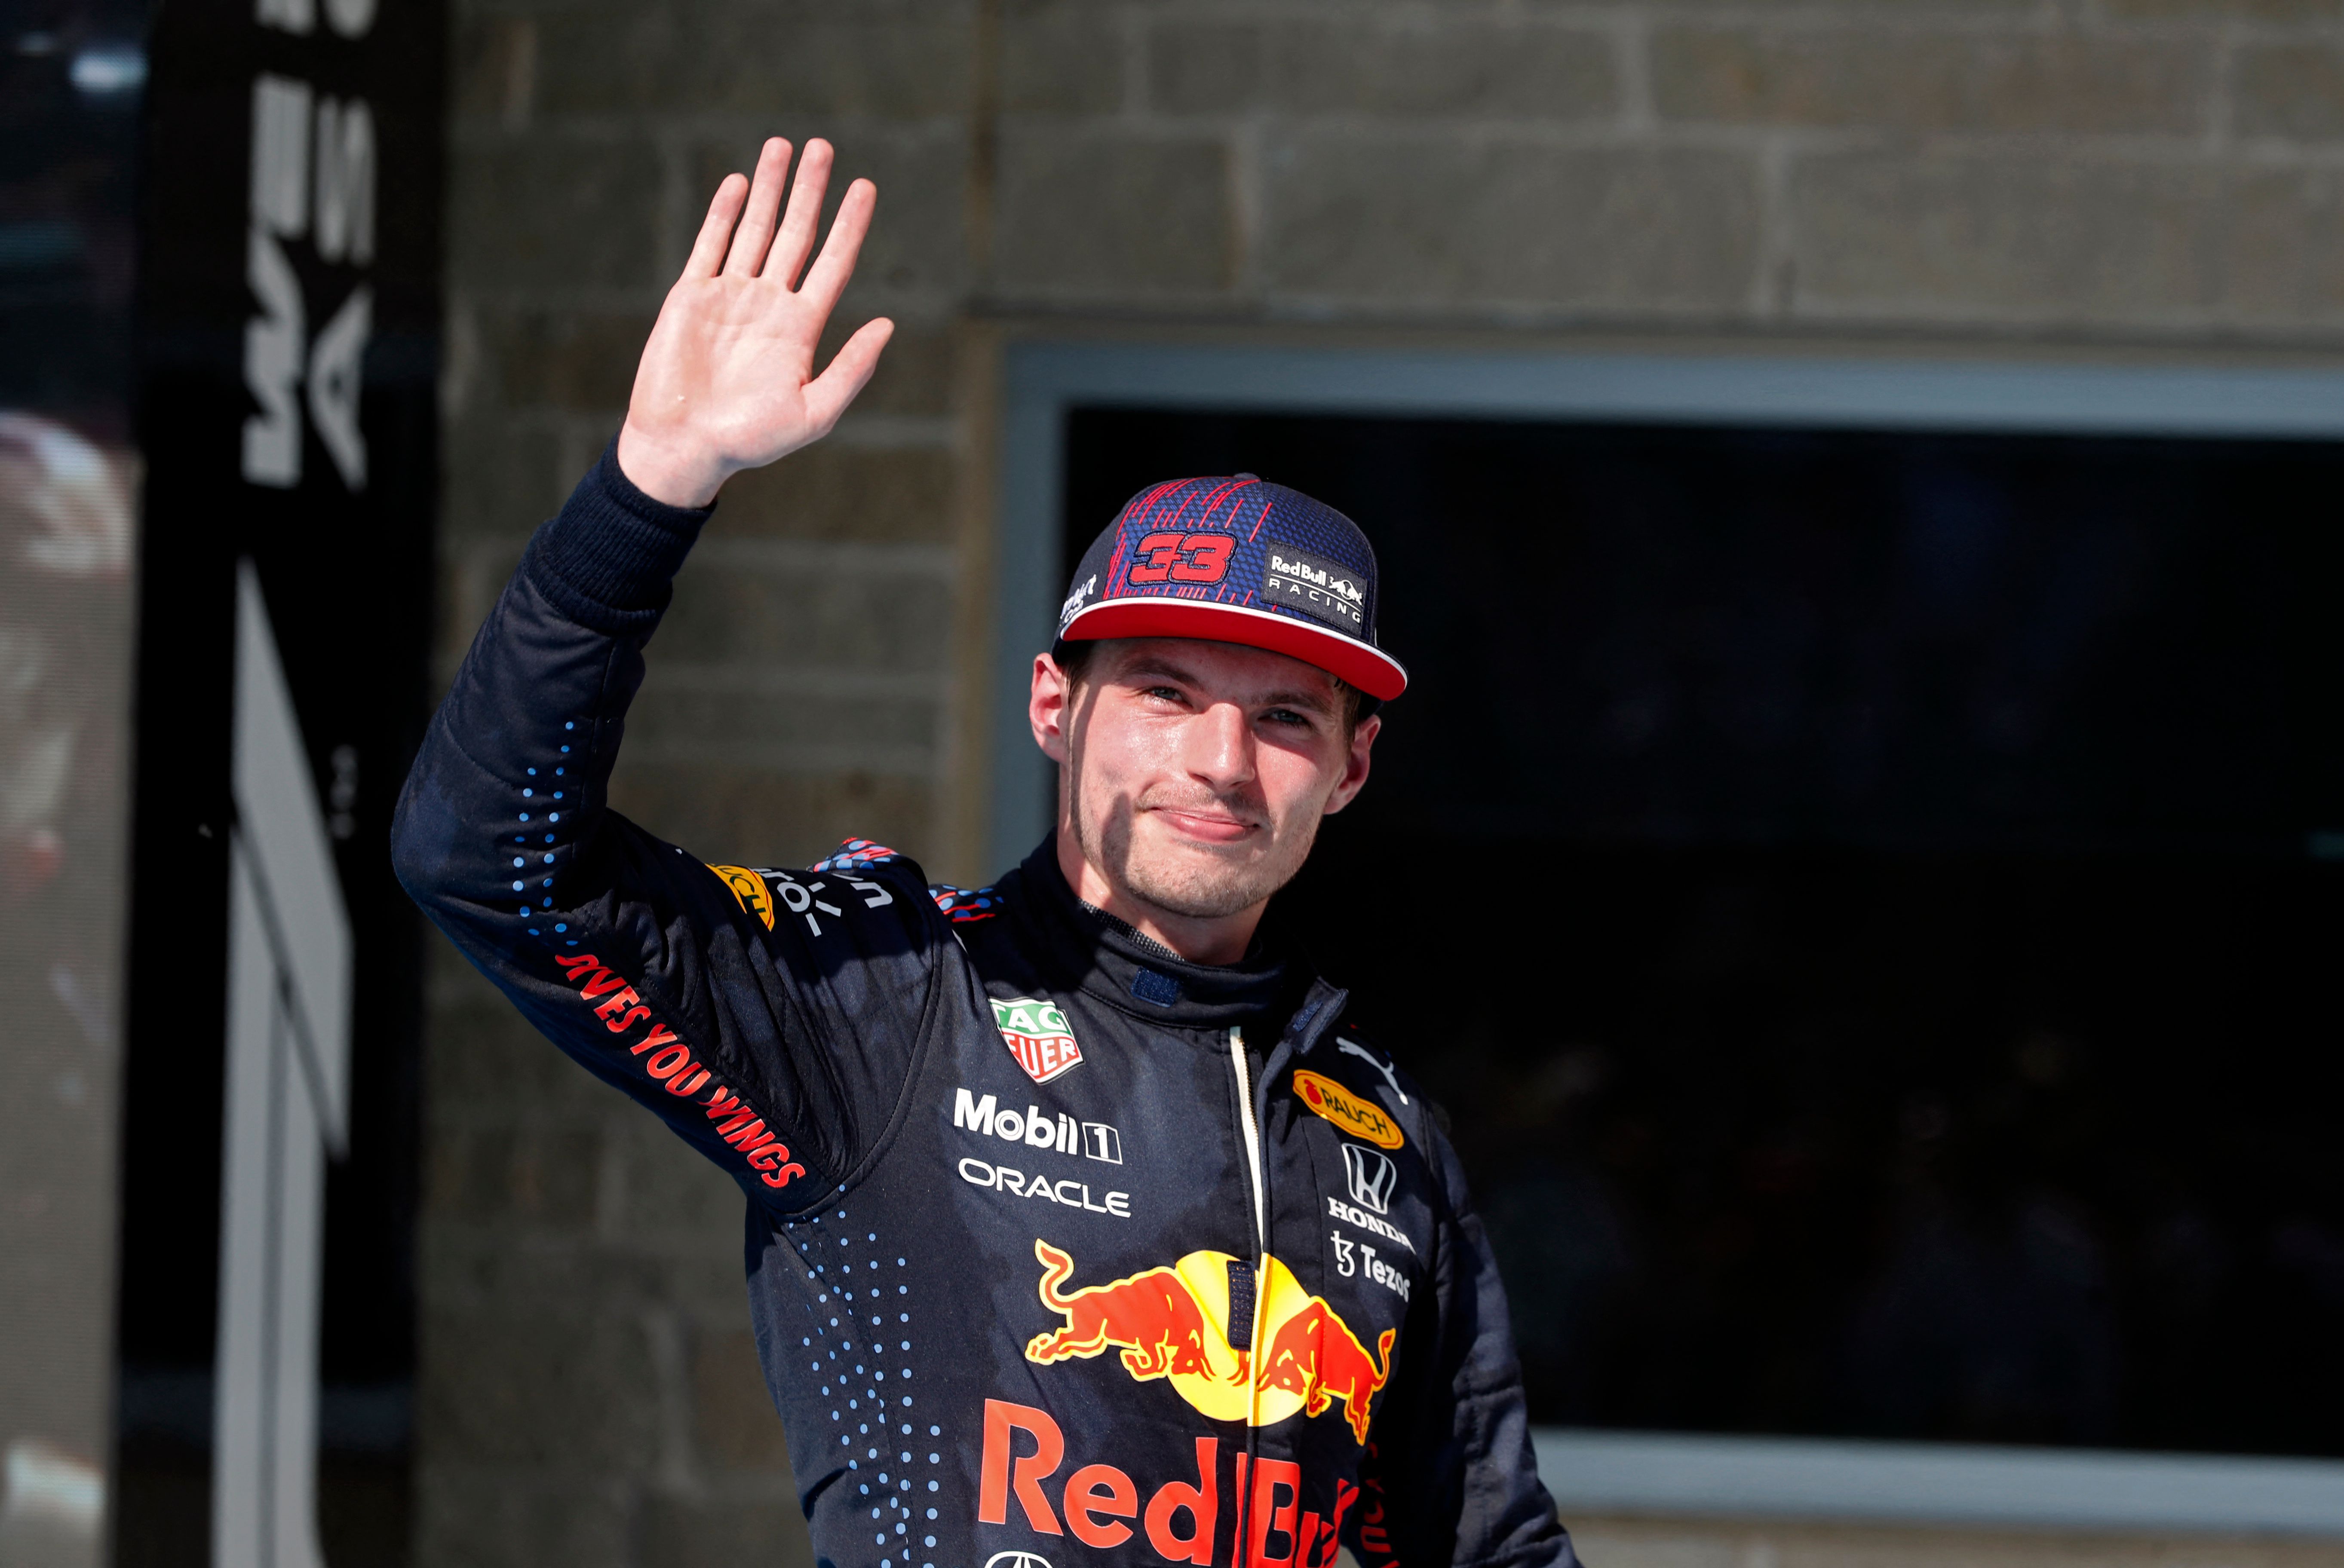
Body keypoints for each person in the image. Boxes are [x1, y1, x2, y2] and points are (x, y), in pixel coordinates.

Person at [393, 136, 1577, 1568]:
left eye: (1281, 718)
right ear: (1053, 708)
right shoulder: (889, 1002)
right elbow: (488, 863)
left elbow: (1492, 1546)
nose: (1218, 760)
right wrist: (654, 486)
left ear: (1348, 768)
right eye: (1163, 692)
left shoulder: (1379, 1140)